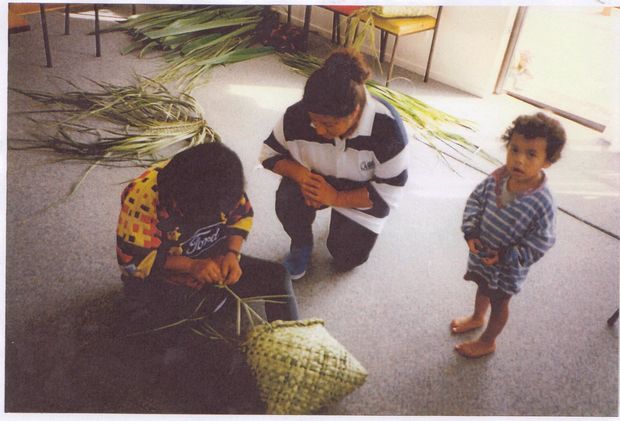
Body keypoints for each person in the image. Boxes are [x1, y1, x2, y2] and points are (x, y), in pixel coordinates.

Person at [116, 142, 299, 335]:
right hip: (163, 276)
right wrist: (190, 266)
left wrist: (231, 253)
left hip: (212, 260)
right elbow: (134, 261)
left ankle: (293, 339)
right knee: (173, 332)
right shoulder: (143, 199)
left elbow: (241, 216)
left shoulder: (224, 183)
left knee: (277, 276)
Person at [259, 48, 409, 279]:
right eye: (314, 121)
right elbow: (269, 155)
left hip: (360, 192)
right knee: (288, 199)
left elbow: (387, 193)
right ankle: (301, 244)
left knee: (347, 257)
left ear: (355, 112)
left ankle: (343, 220)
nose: (318, 130)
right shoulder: (297, 116)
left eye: (328, 125)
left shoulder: (387, 128)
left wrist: (336, 198)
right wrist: (302, 176)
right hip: (316, 178)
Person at [451, 112, 566, 358]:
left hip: (507, 268)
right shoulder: (497, 177)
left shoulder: (543, 202)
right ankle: (476, 317)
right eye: (514, 149)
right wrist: (470, 231)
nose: (519, 160)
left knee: (500, 302)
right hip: (482, 254)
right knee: (482, 287)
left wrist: (506, 256)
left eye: (531, 154)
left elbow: (541, 242)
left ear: (548, 160)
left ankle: (488, 341)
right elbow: (475, 201)